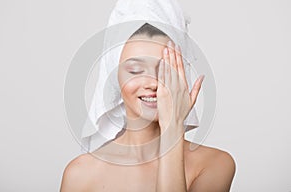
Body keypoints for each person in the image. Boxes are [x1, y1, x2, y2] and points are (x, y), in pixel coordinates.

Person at [60, 23, 235, 192]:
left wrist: (172, 129)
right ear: (115, 79)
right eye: (135, 70)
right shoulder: (80, 173)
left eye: (165, 70)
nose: (152, 83)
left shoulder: (215, 164)